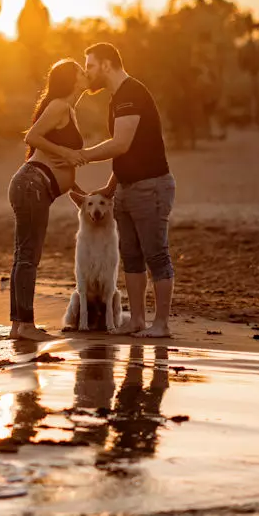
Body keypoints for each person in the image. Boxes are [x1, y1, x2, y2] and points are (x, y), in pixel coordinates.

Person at [80, 42, 177, 338]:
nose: (87, 74)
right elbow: (126, 153)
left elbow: (120, 144)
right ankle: (136, 320)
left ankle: (160, 324)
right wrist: (111, 187)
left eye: (90, 66)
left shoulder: (130, 94)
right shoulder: (117, 98)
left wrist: (80, 155)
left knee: (155, 255)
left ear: (107, 65)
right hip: (126, 188)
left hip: (150, 187)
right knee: (131, 256)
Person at [8, 59, 89, 340]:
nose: (86, 74)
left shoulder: (68, 109)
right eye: (81, 71)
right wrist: (66, 154)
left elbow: (62, 167)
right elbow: (32, 137)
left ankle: (18, 326)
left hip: (34, 185)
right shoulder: (59, 105)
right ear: (71, 79)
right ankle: (26, 326)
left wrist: (82, 193)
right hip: (32, 184)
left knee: (23, 256)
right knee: (28, 256)